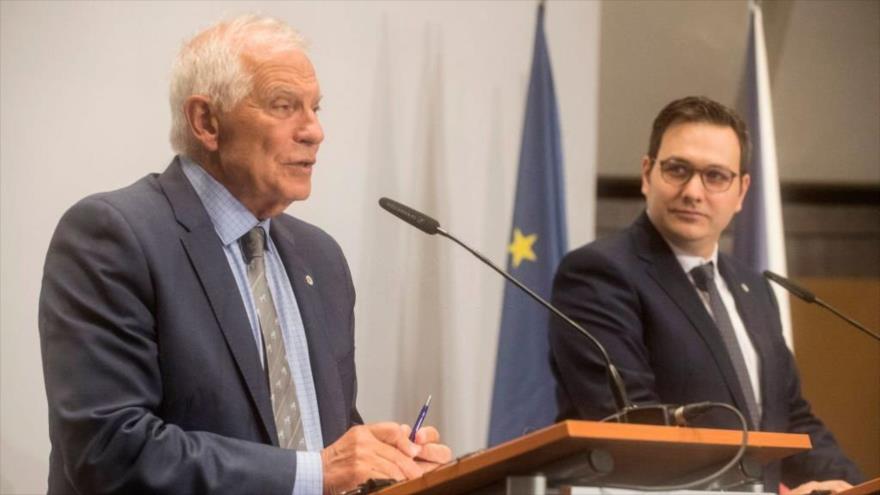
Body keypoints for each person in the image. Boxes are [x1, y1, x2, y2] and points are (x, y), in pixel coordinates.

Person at [39, 14, 450, 495]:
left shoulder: (321, 260)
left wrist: (385, 466)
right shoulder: (114, 236)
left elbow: (327, 449)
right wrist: (320, 471)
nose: (315, 131)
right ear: (207, 121)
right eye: (284, 106)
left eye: (315, 109)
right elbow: (109, 451)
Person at [549, 96, 862, 494]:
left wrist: (852, 486)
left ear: (742, 191)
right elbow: (632, 423)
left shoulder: (755, 288)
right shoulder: (598, 274)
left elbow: (790, 417)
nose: (694, 191)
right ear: (647, 174)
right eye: (678, 169)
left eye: (716, 176)